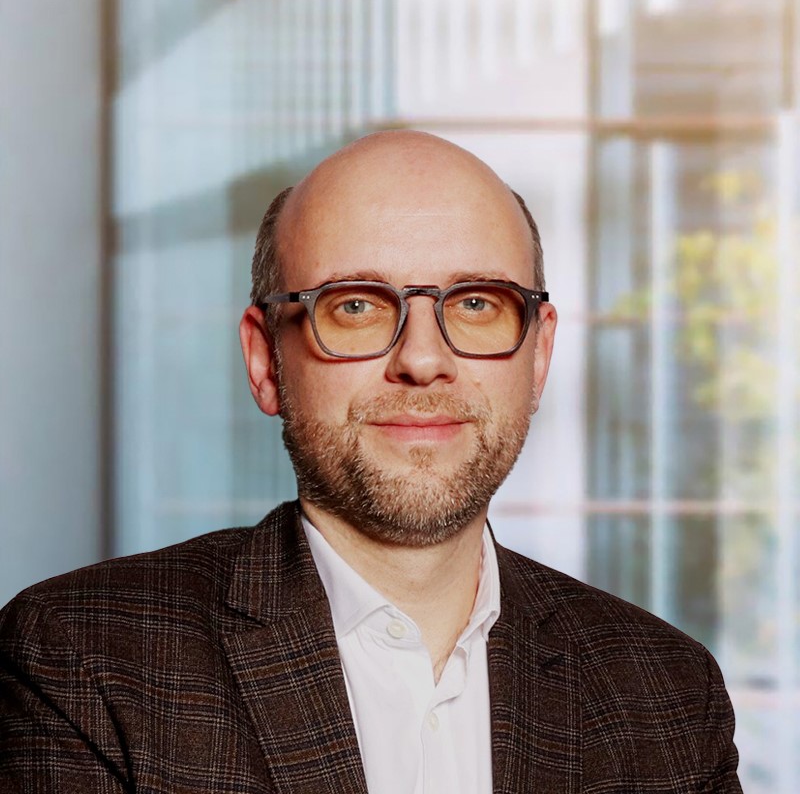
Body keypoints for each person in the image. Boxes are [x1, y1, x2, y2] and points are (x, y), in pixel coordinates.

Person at [0, 130, 741, 793]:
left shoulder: (668, 693)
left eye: (477, 303)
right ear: (264, 360)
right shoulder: (81, 659)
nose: (422, 359)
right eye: (355, 305)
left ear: (540, 355)